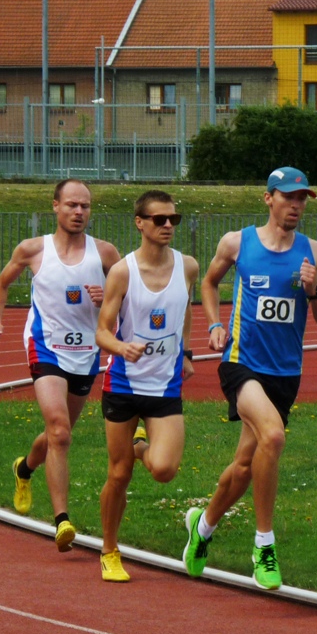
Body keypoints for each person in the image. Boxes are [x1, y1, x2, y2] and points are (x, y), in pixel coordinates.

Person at [184, 167, 317, 590]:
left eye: (303, 198)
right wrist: (214, 324)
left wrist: (312, 292)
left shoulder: (314, 253)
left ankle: (203, 528)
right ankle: (263, 546)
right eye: (289, 197)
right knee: (273, 437)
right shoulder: (237, 243)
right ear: (268, 198)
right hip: (241, 363)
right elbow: (209, 283)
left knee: (246, 465)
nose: (296, 206)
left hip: (285, 373)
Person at [0, 179, 121, 552]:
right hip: (45, 347)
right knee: (60, 431)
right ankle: (62, 520)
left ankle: (24, 468)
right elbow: (1, 285)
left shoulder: (106, 254)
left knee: (56, 433)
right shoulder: (32, 250)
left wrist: (108, 295)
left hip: (86, 352)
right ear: (56, 206)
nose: (79, 212)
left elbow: (130, 297)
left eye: (86, 207)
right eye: (72, 205)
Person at [95, 190, 198, 583]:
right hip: (123, 383)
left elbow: (186, 309)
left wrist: (186, 352)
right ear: (140, 223)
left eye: (174, 218)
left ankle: (142, 446)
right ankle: (109, 549)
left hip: (165, 387)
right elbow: (101, 331)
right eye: (159, 219)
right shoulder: (122, 272)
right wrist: (122, 347)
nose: (168, 225)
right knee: (119, 474)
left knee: (164, 469)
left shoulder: (187, 267)